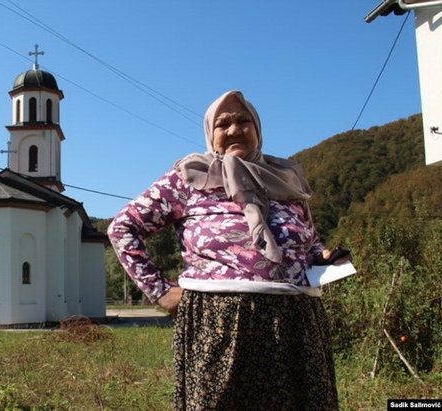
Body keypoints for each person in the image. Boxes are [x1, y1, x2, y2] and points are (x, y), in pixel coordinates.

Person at [107, 91, 345, 410]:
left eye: (243, 121)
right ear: (211, 133)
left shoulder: (287, 180)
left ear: (257, 128)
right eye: (224, 124)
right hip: (221, 321)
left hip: (296, 323)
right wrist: (159, 291)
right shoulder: (189, 177)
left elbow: (310, 243)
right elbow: (123, 227)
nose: (234, 130)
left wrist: (324, 257)